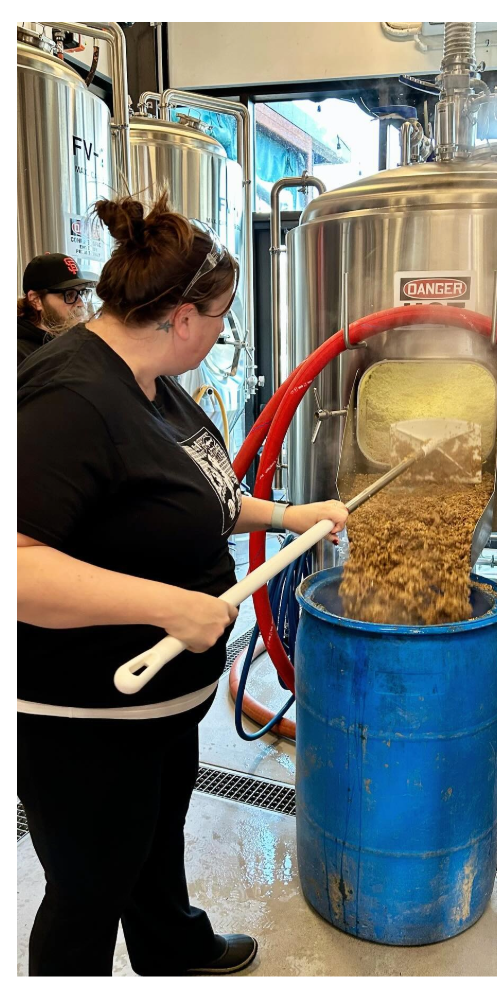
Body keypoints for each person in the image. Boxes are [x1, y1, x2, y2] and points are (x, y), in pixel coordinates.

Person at [16, 196, 350, 975]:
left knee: (154, 840)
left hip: (161, 702)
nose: (220, 337)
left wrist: (292, 512)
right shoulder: (69, 396)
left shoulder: (151, 378)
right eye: (223, 320)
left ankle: (169, 945)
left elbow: (195, 499)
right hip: (84, 715)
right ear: (184, 317)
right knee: (88, 888)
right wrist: (169, 606)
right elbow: (20, 564)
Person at [18, 251, 96, 363]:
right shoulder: (19, 354)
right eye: (69, 295)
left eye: (82, 293)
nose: (81, 303)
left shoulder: (73, 340)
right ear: (36, 300)